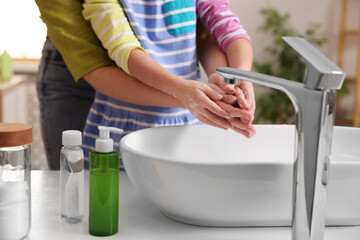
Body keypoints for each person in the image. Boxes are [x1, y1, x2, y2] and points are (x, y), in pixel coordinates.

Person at [35, 0, 255, 170]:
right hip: (121, 127)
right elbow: (124, 50)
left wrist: (239, 78)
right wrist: (183, 92)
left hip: (186, 118)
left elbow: (225, 27)